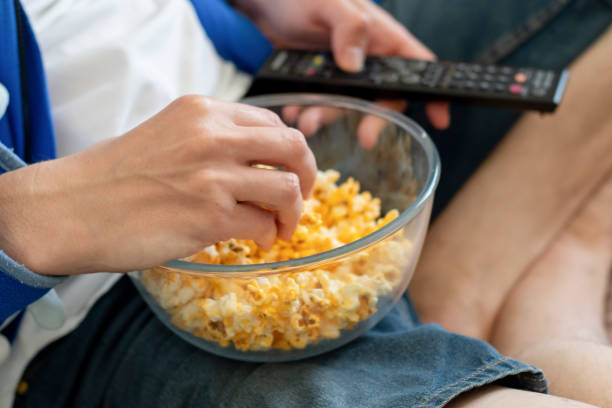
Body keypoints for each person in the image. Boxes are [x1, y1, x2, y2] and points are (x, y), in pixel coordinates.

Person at [0, 1, 611, 407]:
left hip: (248, 65)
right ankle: (551, 274)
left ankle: (490, 281)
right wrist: (44, 215)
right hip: (87, 296)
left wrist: (242, 7)